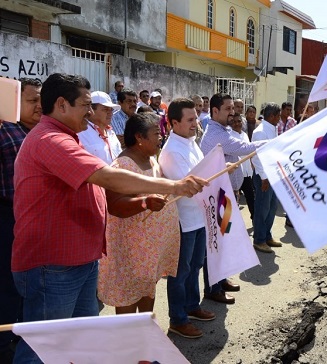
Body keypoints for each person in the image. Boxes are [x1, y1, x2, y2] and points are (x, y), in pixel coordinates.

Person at [11, 73, 209, 363]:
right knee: (44, 350)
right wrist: (173, 186)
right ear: (62, 105)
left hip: (76, 262)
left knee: (79, 344)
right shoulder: (50, 140)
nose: (91, 113)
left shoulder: (68, 138)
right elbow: (108, 176)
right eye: (86, 105)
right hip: (52, 267)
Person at [98, 113, 180, 315]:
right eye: (155, 133)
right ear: (139, 138)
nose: (161, 136)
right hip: (131, 251)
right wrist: (145, 202)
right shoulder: (123, 165)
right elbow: (116, 204)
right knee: (128, 293)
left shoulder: (151, 160)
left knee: (147, 290)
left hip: (148, 253)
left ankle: (144, 334)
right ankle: (128, 343)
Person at [200, 93, 268, 304]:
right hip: (217, 196)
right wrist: (275, 143)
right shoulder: (216, 134)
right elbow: (244, 149)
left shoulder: (224, 130)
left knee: (224, 241)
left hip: (227, 193)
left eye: (233, 108)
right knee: (216, 244)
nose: (233, 112)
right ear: (215, 111)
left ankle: (220, 281)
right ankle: (213, 288)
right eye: (228, 109)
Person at [158, 98, 217, 339]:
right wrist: (216, 179)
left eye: (196, 118)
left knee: (195, 267)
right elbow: (189, 188)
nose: (196, 123)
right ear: (174, 123)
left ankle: (192, 306)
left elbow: (204, 173)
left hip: (199, 218)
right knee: (180, 272)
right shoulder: (172, 151)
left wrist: (222, 171)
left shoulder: (191, 143)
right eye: (190, 119)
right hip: (184, 222)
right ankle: (177, 319)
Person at [0, 77, 42, 362]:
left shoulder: (42, 132)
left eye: (41, 99)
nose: (38, 106)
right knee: (8, 285)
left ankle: (18, 337)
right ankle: (4, 347)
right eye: (31, 100)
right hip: (8, 217)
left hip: (35, 219)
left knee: (30, 284)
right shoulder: (5, 132)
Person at [251, 102, 282, 253]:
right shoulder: (260, 131)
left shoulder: (272, 129)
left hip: (273, 174)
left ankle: (267, 235)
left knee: (272, 207)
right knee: (262, 208)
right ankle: (259, 240)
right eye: (278, 116)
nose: (280, 119)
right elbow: (256, 157)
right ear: (271, 116)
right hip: (263, 176)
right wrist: (264, 177)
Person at [78, 91, 122, 164]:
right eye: (105, 109)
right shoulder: (81, 133)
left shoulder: (111, 133)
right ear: (91, 110)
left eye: (111, 109)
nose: (110, 113)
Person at [230, 113, 255, 220]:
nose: (237, 124)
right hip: (235, 174)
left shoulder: (244, 135)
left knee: (251, 198)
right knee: (233, 201)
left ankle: (255, 219)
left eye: (239, 121)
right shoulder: (229, 136)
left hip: (246, 173)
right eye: (234, 121)